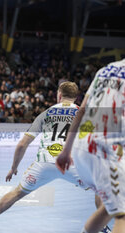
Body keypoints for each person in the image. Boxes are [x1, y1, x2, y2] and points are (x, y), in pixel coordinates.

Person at [0, 82, 91, 233]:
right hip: (71, 163)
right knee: (100, 189)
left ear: (59, 95)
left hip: (44, 164)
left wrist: (13, 168)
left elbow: (22, 144)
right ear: (76, 98)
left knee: (17, 193)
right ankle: (102, 227)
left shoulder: (45, 114)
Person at [56, 60, 125, 233]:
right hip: (105, 149)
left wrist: (66, 151)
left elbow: (82, 110)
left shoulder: (105, 70)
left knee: (110, 206)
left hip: (81, 147)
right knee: (121, 214)